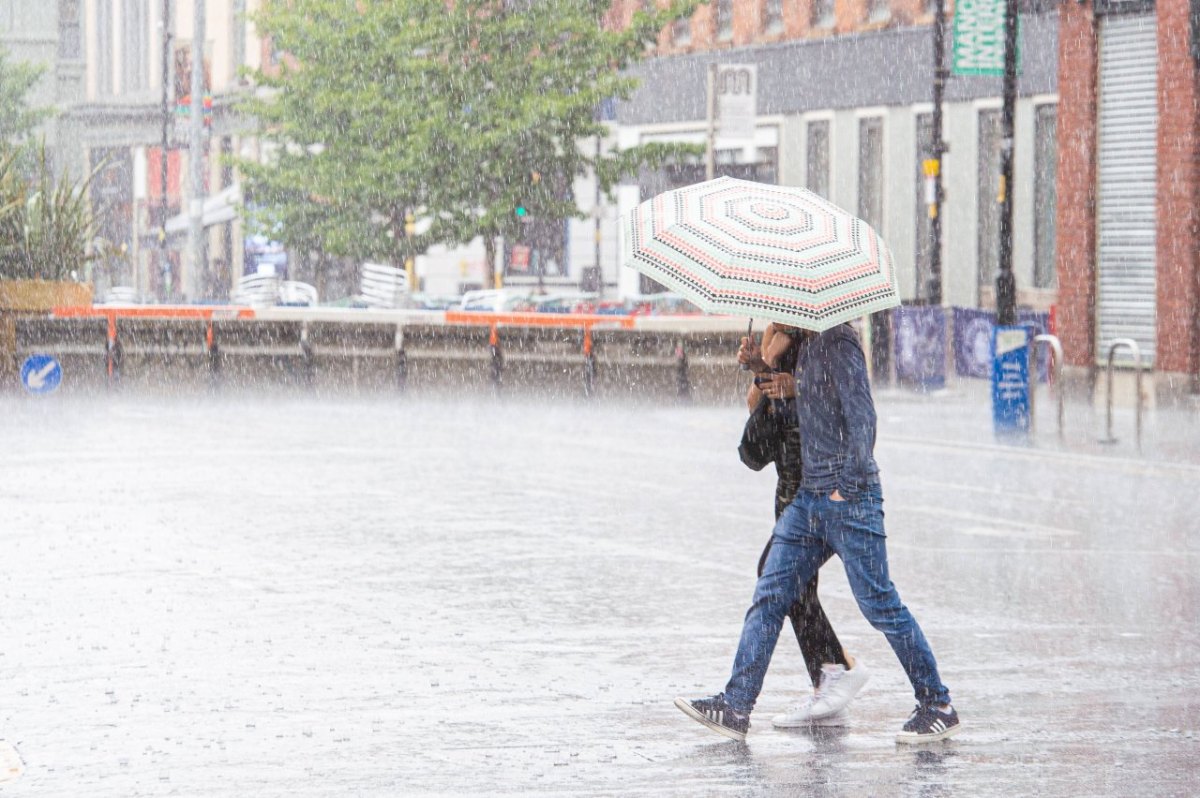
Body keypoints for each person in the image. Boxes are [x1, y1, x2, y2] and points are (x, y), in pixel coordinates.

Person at [676, 321, 961, 744]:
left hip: (849, 500)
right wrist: (762, 369)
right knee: (772, 592)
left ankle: (937, 703)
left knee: (880, 604)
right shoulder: (807, 345)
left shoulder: (839, 340)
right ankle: (736, 706)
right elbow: (800, 414)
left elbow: (863, 417)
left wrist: (845, 487)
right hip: (809, 499)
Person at [741, 323, 869, 728]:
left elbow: (848, 402)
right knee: (791, 583)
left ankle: (835, 671)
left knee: (783, 577)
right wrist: (764, 366)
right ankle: (832, 672)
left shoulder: (830, 337)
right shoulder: (776, 335)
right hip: (788, 481)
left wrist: (796, 386)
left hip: (818, 481)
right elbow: (753, 405)